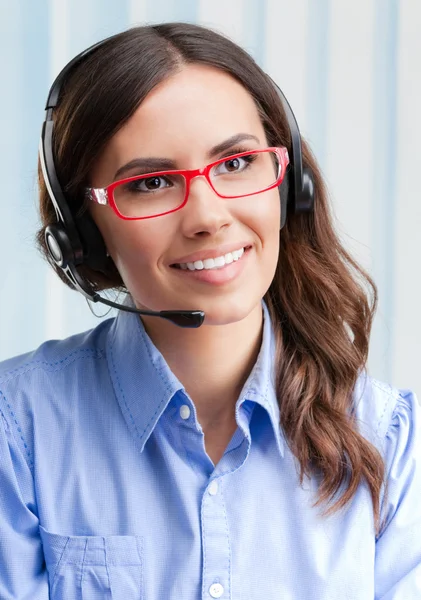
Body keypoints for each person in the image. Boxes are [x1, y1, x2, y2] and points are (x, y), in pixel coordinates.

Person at [0, 22, 419, 600]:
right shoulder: (16, 432)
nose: (208, 216)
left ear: (287, 182)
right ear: (83, 231)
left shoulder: (393, 444)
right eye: (151, 183)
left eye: (235, 164)